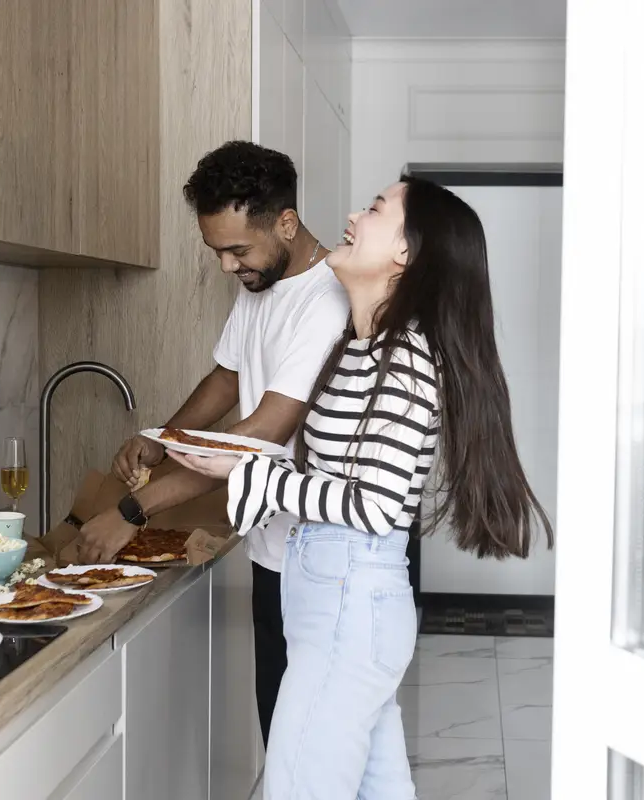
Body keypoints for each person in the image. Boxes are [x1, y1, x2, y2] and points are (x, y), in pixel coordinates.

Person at [168, 175, 554, 799]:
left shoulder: (406, 358)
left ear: (406, 252)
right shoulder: (359, 348)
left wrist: (248, 472)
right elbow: (338, 480)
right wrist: (233, 461)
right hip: (331, 596)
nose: (352, 215)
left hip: (351, 599)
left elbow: (372, 507)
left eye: (375, 210)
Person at [74, 141, 349, 748]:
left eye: (237, 250)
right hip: (272, 546)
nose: (227, 267)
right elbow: (227, 376)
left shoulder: (327, 299)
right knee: (280, 727)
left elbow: (259, 437)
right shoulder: (261, 286)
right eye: (217, 251)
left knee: (309, 746)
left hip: (320, 559)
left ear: (285, 222)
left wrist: (133, 510)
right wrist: (159, 438)